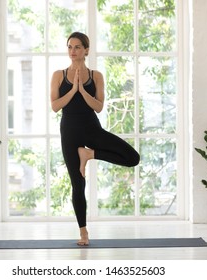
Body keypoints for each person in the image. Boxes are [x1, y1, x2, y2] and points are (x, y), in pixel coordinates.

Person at [50, 32, 140, 246]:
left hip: (91, 128)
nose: (73, 51)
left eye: (78, 47)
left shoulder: (96, 75)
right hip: (69, 131)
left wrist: (83, 89)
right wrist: (73, 89)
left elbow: (98, 107)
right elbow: (55, 106)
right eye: (70, 47)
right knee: (77, 183)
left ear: (86, 50)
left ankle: (89, 153)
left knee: (132, 157)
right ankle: (83, 232)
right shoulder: (58, 75)